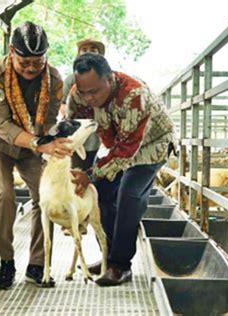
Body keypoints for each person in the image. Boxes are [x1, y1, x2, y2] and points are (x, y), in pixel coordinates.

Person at [0, 21, 71, 290]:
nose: (31, 68)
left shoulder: (55, 80)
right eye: (25, 61)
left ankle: (38, 264)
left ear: (46, 57)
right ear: (11, 52)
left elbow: (49, 120)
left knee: (46, 196)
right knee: (4, 195)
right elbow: (1, 125)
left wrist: (57, 138)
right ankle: (6, 260)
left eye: (37, 62)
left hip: (33, 144)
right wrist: (40, 144)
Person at [69, 53, 175, 286]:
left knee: (129, 194)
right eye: (83, 91)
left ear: (110, 79)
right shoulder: (79, 95)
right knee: (102, 193)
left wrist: (89, 175)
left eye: (94, 91)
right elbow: (74, 128)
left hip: (150, 145)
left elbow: (127, 151)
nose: (88, 98)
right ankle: (108, 256)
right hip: (116, 143)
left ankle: (121, 266)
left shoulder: (134, 95)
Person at [62, 39, 105, 171]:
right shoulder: (71, 80)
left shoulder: (106, 79)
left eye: (93, 49)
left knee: (91, 164)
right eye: (84, 50)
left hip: (97, 129)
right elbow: (63, 104)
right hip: (77, 130)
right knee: (76, 166)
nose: (88, 52)